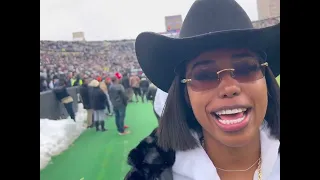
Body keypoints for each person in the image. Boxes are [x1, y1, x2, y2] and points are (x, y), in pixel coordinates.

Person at [125, 0, 280, 179]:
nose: (230, 88)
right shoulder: (151, 172)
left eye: (246, 68)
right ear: (185, 94)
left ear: (266, 80)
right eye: (204, 76)